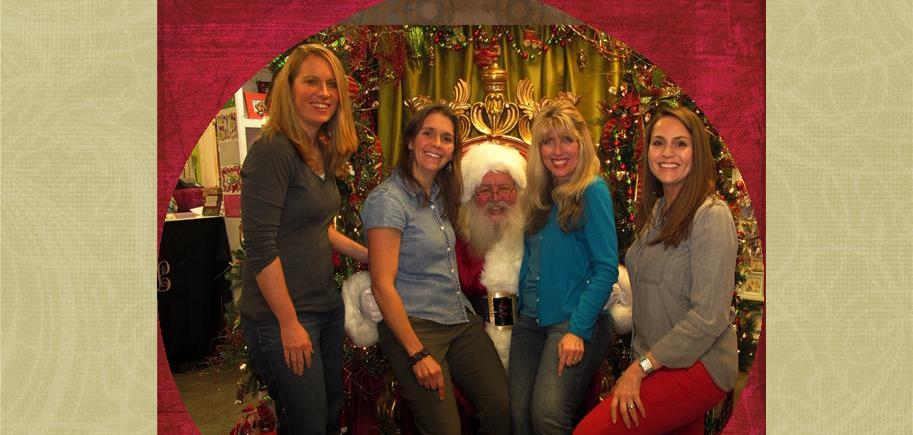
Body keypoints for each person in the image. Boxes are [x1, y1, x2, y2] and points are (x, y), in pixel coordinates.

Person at [573, 105, 738, 435]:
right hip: (660, 362)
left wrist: (640, 368)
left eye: (681, 143)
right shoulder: (659, 211)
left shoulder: (711, 215)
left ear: (697, 152)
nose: (667, 153)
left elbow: (708, 317)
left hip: (700, 363)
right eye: (658, 142)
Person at [239, 43, 368, 435]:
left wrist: (368, 255)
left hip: (324, 307)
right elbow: (259, 245)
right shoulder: (273, 152)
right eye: (311, 81)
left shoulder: (317, 150)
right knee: (306, 424)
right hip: (284, 317)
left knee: (327, 418)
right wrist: (289, 322)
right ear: (289, 87)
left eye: (331, 84)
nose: (323, 93)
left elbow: (314, 226)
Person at [361, 104, 511, 435]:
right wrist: (417, 354)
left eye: (446, 138)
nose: (436, 144)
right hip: (415, 326)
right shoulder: (388, 200)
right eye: (428, 133)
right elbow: (382, 285)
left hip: (458, 318)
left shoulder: (443, 194)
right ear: (411, 141)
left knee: (502, 405)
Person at [510, 99, 619, 435]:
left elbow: (606, 269)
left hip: (573, 321)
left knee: (547, 417)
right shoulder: (540, 194)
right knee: (518, 418)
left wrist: (578, 330)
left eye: (567, 139)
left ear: (581, 143)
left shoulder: (592, 191)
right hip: (530, 321)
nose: (557, 150)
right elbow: (532, 260)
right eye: (548, 141)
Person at [455, 142, 528, 368]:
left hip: (529, 337)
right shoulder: (456, 240)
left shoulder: (535, 233)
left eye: (505, 188)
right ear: (471, 196)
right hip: (473, 341)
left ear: (518, 192)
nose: (496, 198)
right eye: (485, 190)